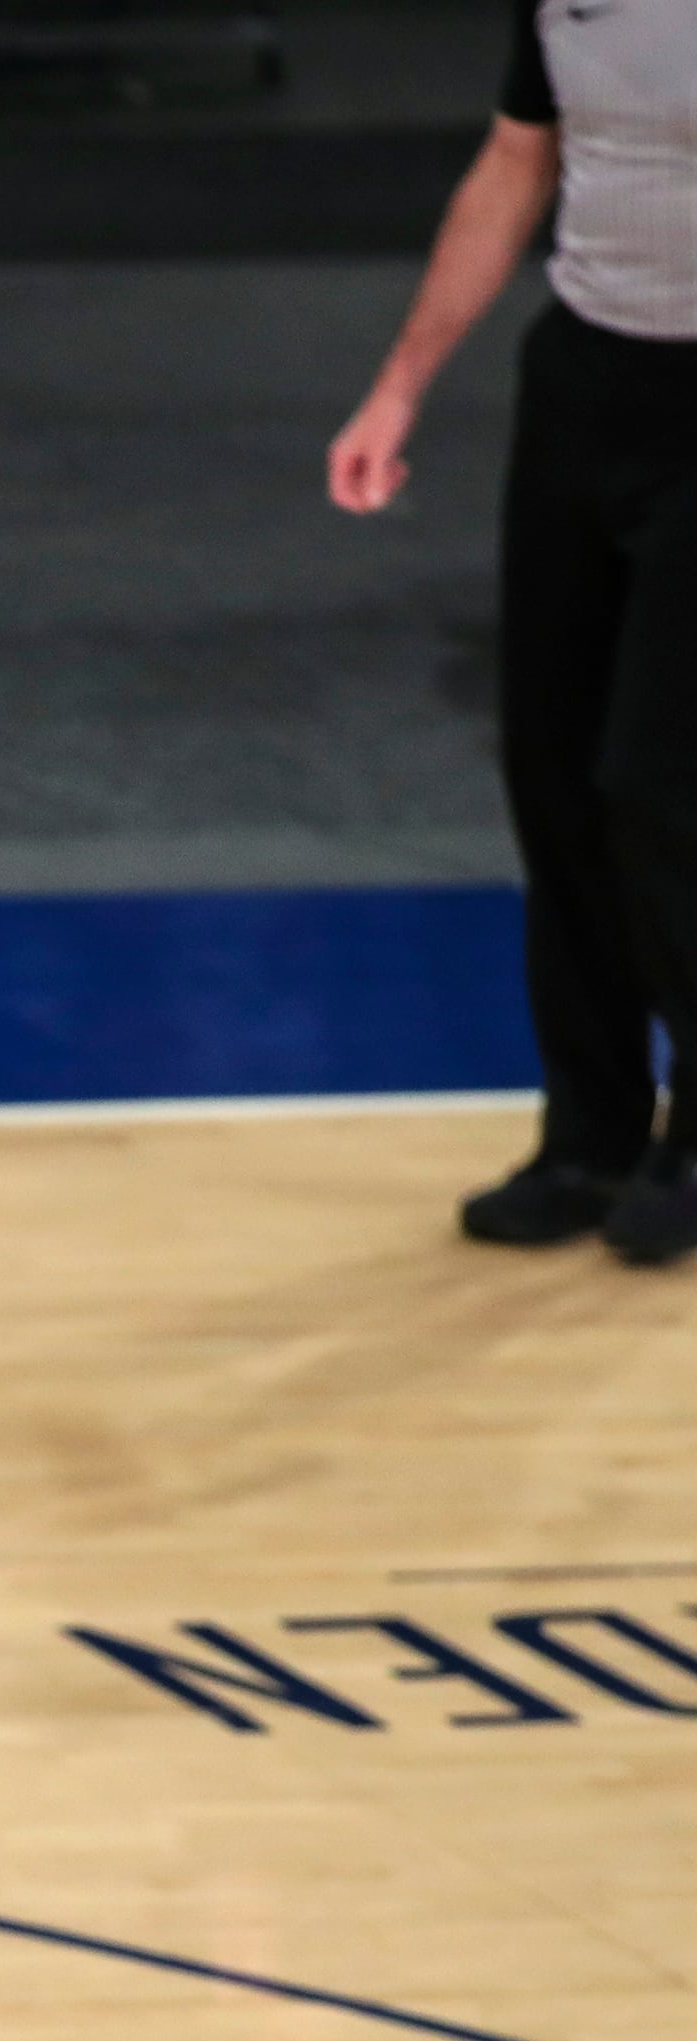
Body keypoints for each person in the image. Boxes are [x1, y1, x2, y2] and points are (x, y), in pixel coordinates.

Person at [326, 0, 697, 1267]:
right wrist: (400, 384)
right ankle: (589, 1133)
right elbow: (515, 162)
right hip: (589, 388)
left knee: (659, 784)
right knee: (554, 777)